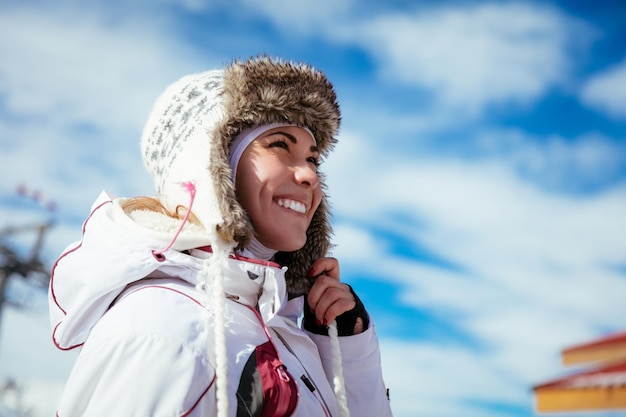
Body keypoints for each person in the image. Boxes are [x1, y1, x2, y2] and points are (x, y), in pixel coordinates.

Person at [49, 55, 393, 417]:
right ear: (210, 165)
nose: (309, 174)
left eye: (313, 159)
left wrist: (348, 349)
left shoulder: (280, 331)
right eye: (279, 145)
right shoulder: (168, 331)